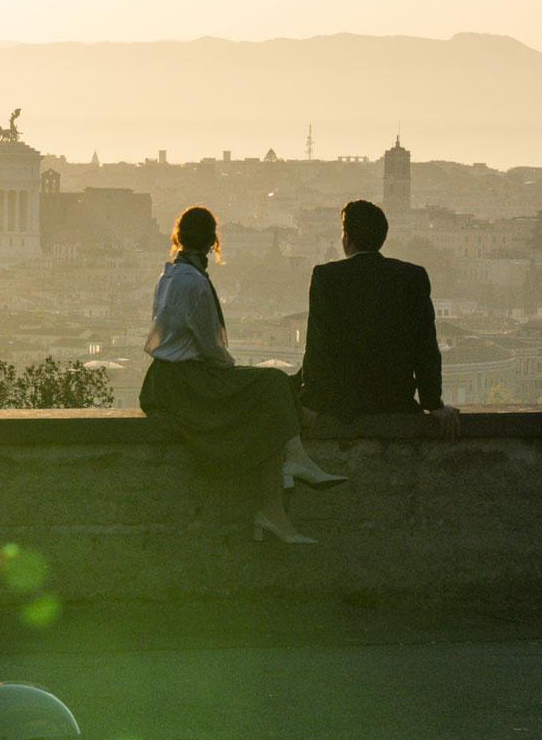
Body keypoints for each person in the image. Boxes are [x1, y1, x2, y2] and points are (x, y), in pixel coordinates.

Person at [140, 205, 347, 544]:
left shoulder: (170, 276)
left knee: (268, 392)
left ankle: (279, 501)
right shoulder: (194, 283)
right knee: (273, 382)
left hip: (165, 380)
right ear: (212, 243)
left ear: (178, 238)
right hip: (188, 380)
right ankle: (292, 467)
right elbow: (211, 347)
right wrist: (230, 371)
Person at [299, 199, 460, 437]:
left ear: (347, 238)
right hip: (396, 401)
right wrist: (432, 402)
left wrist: (311, 400)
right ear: (383, 238)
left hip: (343, 405)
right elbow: (425, 345)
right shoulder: (412, 276)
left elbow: (319, 344)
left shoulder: (327, 277)